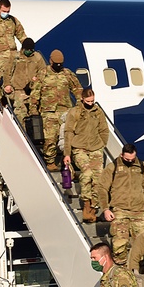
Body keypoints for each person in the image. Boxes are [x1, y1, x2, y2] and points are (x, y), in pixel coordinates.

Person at [96, 143, 144, 266]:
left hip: (138, 210)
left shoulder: (141, 167)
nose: (129, 161)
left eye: (132, 159)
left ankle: (141, 271)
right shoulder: (113, 167)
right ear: (122, 155)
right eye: (127, 159)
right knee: (119, 244)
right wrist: (106, 209)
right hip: (120, 210)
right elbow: (102, 188)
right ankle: (121, 271)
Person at [28, 49, 81, 171]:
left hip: (65, 111)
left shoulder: (67, 74)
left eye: (60, 64)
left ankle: (67, 161)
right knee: (50, 138)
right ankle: (50, 162)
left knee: (67, 138)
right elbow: (35, 93)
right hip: (48, 112)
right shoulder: (43, 74)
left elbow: (77, 89)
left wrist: (79, 105)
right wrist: (33, 110)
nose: (58, 66)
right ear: (51, 61)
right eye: (56, 63)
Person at [63, 88, 108, 223]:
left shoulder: (98, 112)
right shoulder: (75, 112)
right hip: (79, 148)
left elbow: (104, 130)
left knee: (99, 177)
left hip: (95, 148)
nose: (90, 103)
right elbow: (68, 132)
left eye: (92, 101)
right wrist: (67, 153)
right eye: (88, 101)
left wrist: (101, 144)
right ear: (82, 99)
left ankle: (93, 207)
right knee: (87, 173)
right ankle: (86, 204)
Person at [3, 38, 47, 123]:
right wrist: (7, 84)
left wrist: (37, 79)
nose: (30, 51)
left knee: (34, 112)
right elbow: (7, 71)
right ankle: (22, 131)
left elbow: (43, 71)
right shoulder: (15, 57)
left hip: (33, 90)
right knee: (20, 112)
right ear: (23, 49)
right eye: (28, 49)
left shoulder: (37, 57)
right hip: (18, 90)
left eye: (31, 50)